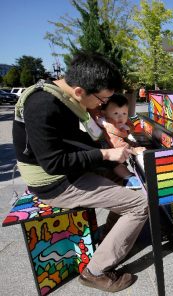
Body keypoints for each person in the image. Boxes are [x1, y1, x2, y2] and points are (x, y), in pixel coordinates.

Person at [12, 52, 148, 293]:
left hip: (70, 171)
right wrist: (106, 156)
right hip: (54, 182)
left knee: (131, 182)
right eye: (102, 100)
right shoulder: (42, 105)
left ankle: (110, 238)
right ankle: (95, 272)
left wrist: (115, 159)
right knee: (141, 204)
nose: (103, 105)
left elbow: (83, 143)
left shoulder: (64, 98)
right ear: (79, 91)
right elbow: (54, 163)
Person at [93, 94, 146, 189]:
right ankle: (128, 177)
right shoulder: (108, 126)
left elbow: (123, 138)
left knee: (121, 162)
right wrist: (134, 149)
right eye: (116, 113)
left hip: (112, 151)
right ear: (104, 113)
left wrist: (131, 142)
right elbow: (118, 144)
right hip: (107, 157)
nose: (121, 117)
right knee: (118, 165)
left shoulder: (116, 123)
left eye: (124, 113)